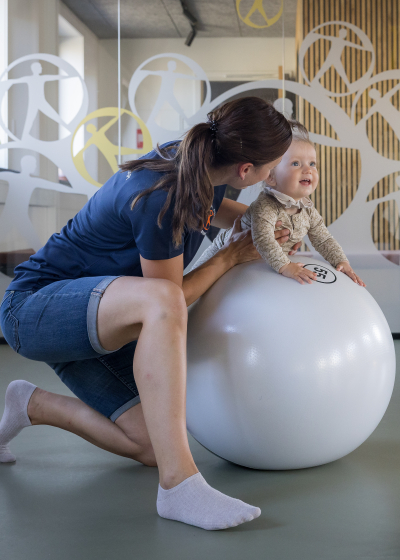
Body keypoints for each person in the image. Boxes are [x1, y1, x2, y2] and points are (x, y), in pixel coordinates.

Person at [0, 97, 297, 531]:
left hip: (99, 320)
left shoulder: (203, 159)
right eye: (271, 168)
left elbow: (212, 210)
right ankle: (179, 486)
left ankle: (28, 404)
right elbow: (169, 298)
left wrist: (263, 224)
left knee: (151, 443)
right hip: (35, 309)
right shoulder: (162, 194)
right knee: (162, 300)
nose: (272, 177)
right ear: (246, 169)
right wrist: (230, 256)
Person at [194, 124, 366, 287]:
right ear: (271, 177)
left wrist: (340, 260)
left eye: (312, 164)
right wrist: (285, 266)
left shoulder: (307, 209)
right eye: (296, 163)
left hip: (251, 267)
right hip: (221, 254)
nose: (308, 170)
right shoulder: (266, 205)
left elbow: (323, 238)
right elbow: (263, 239)